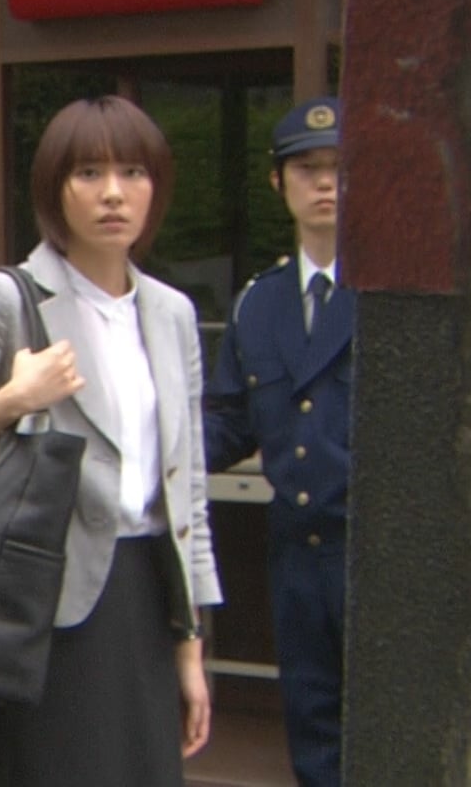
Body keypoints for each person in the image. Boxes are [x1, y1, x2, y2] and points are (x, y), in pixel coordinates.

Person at [0, 95, 220, 785]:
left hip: (146, 599)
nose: (114, 193)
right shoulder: (4, 300)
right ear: (53, 190)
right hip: (34, 613)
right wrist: (12, 400)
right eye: (88, 173)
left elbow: (188, 491)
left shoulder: (172, 314)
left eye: (133, 172)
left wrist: (191, 648)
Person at [204, 95, 352, 787]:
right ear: (278, 182)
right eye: (306, 169)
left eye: (339, 168)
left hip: (375, 553)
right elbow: (230, 421)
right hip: (296, 556)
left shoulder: (392, 296)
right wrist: (153, 457)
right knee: (313, 733)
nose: (324, 183)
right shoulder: (259, 304)